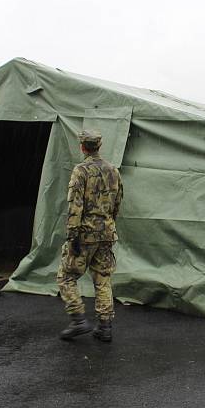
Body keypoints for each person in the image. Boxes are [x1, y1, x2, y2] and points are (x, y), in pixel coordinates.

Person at [57, 130, 123, 342]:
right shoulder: (113, 170)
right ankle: (105, 327)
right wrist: (108, 224)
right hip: (106, 232)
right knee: (102, 278)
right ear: (99, 146)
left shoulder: (81, 171)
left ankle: (78, 320)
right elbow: (117, 202)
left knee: (66, 276)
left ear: (82, 147)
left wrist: (73, 234)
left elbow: (75, 205)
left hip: (85, 233)